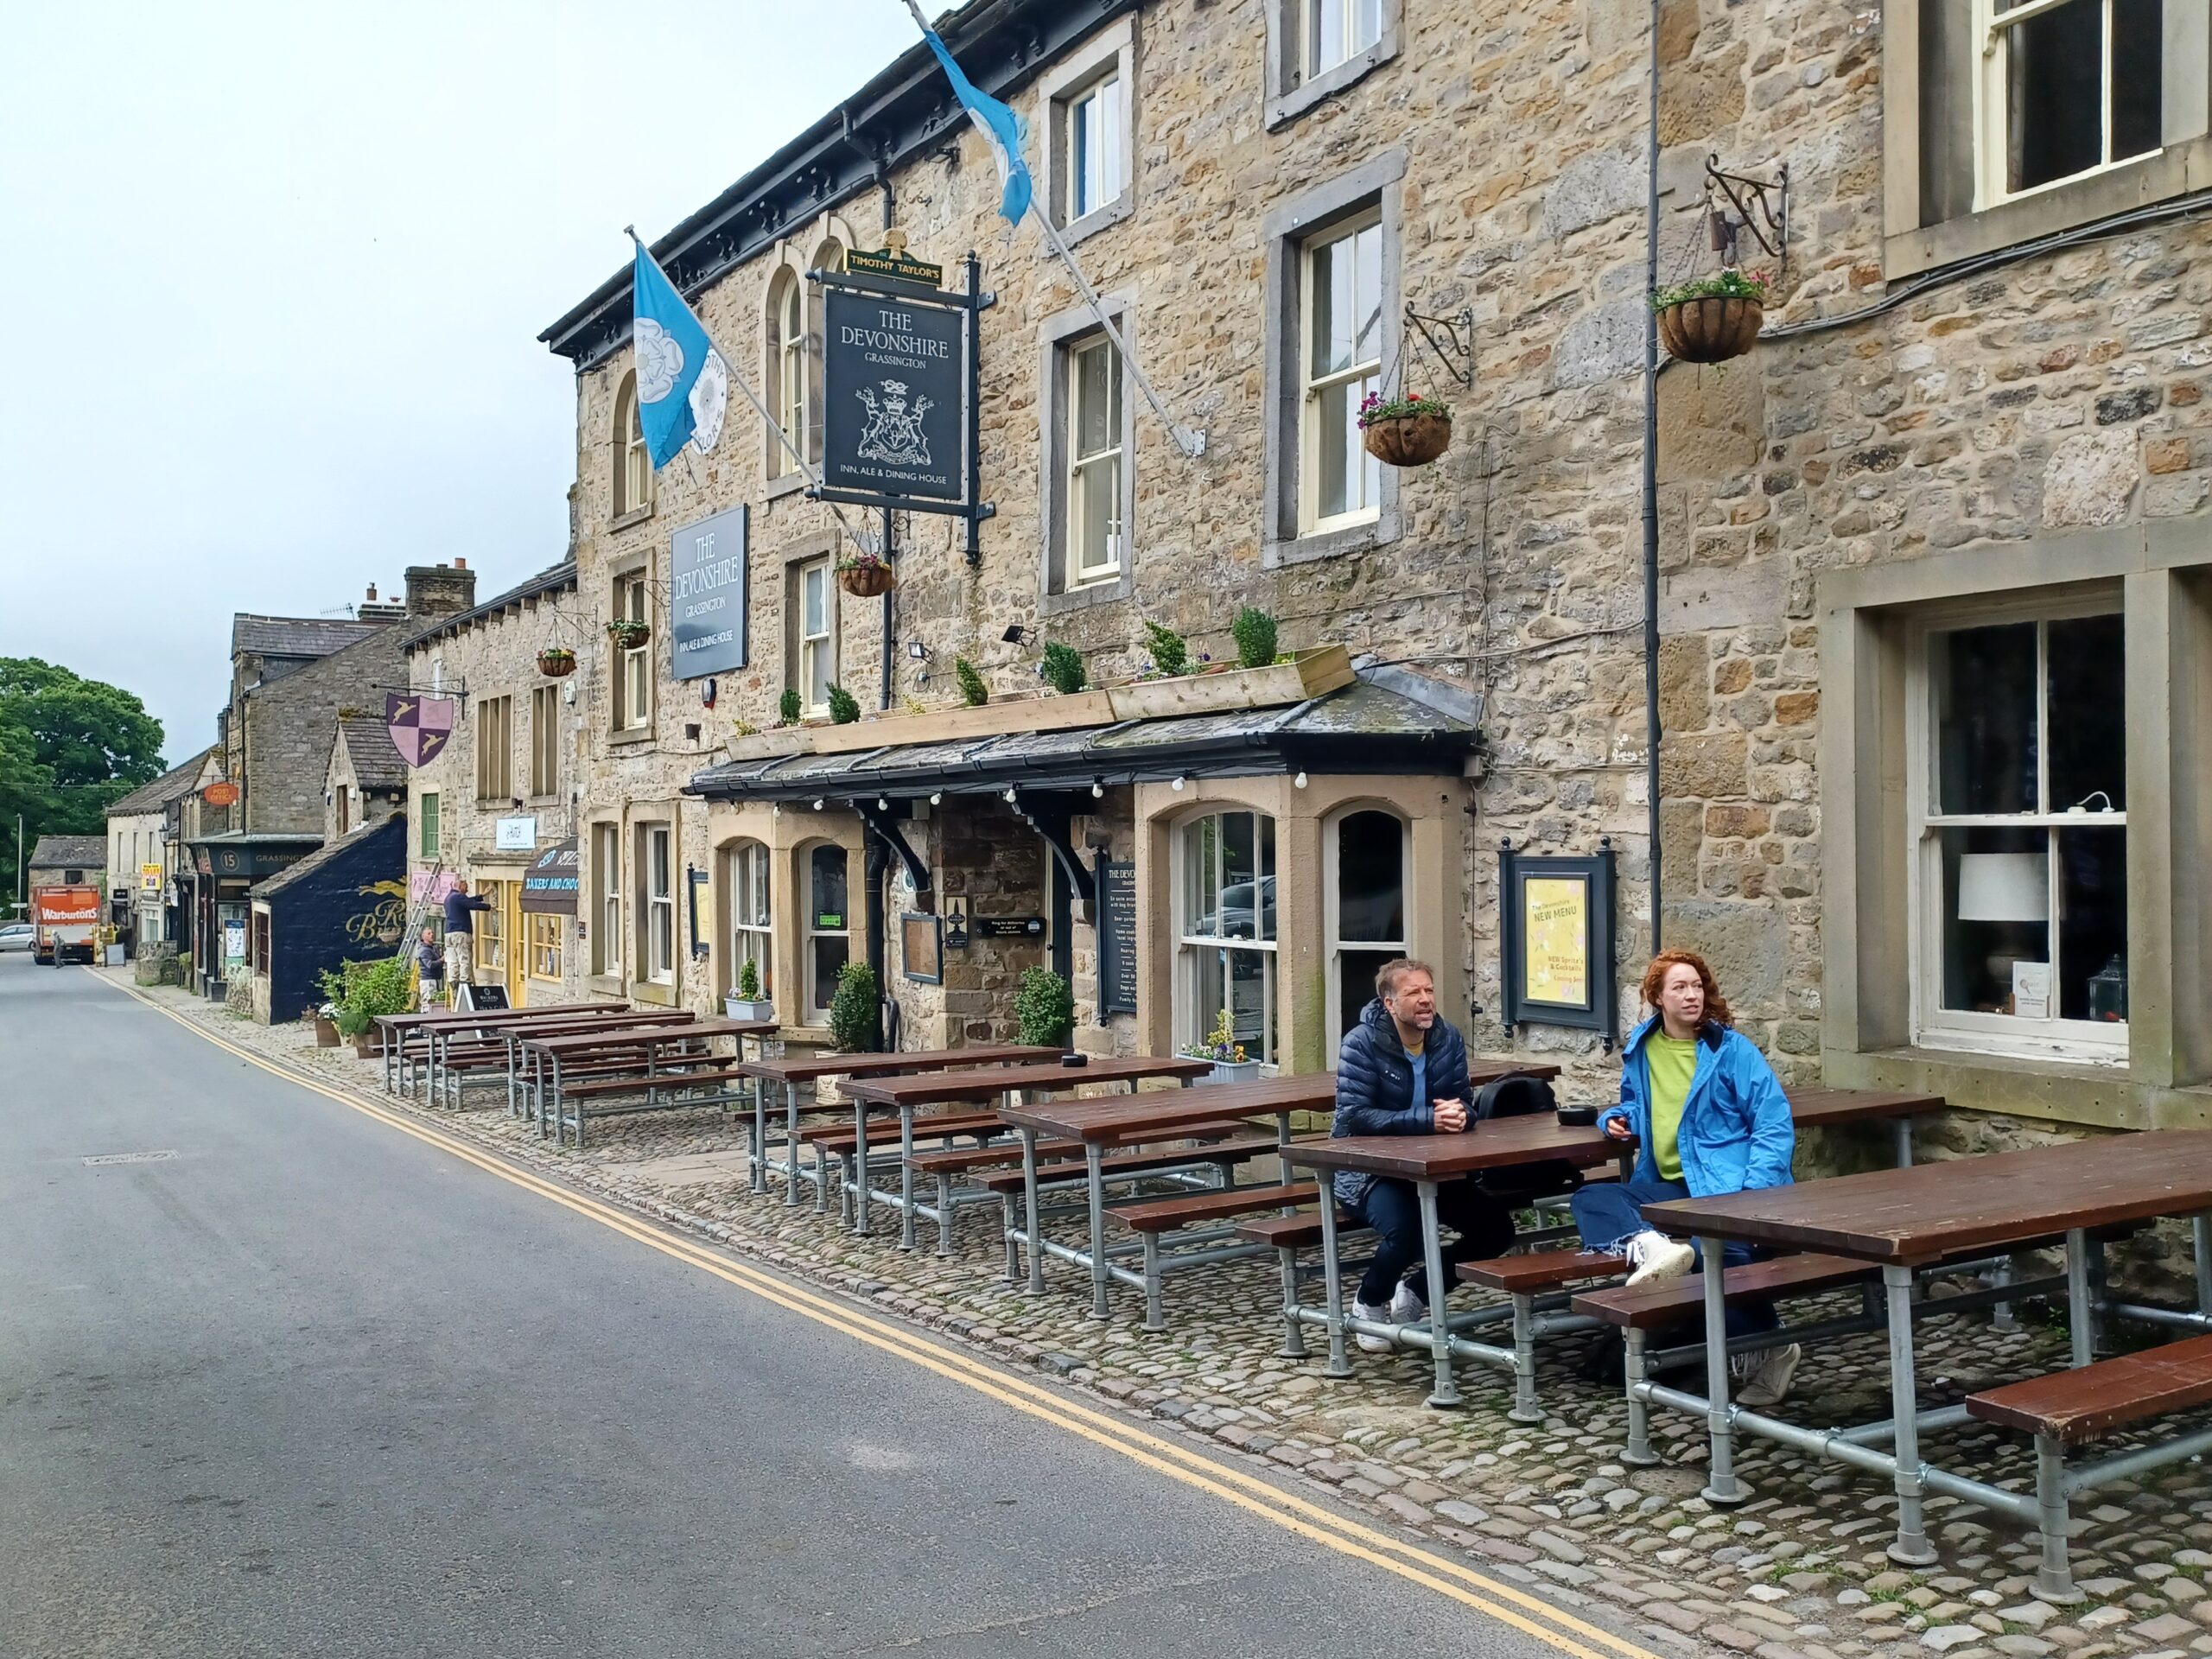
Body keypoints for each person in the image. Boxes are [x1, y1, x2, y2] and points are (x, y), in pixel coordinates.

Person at [1569, 949, 1802, 1408]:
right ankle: (1650, 1245)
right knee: (1592, 1197)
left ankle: (1771, 1345)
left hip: (1728, 1188)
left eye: (1697, 986)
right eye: (1679, 987)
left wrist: (1753, 1192)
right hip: (1672, 1185)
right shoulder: (1642, 1047)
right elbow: (1640, 1103)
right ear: (1657, 996)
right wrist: (1618, 1118)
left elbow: (1773, 1123)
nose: (1692, 995)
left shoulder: (1730, 1049)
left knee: (1707, 1256)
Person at [1332, 958, 1516, 1353]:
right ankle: (1369, 1302)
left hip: (1433, 1167)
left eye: (1429, 991)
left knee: (1496, 1229)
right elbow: (1354, 1116)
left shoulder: (1446, 1037)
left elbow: (1465, 1102)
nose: (1425, 1000)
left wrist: (1459, 1115)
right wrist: (1427, 1119)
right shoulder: (1360, 1043)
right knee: (1408, 1232)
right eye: (1413, 993)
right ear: (1389, 1003)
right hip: (1366, 1169)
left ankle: (1416, 1290)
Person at [442, 880, 492, 988]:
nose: (467, 889)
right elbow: (471, 904)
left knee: (452, 960)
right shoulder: (458, 897)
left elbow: (467, 901)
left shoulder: (449, 898)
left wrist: (481, 895)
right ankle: (465, 983)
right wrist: (489, 907)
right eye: (466, 887)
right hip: (460, 932)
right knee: (464, 959)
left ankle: (453, 982)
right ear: (460, 887)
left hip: (449, 934)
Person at [413, 925, 444, 1006]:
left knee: (434, 1003)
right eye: (429, 933)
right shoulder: (424, 950)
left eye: (432, 933)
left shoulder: (432, 948)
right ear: (423, 937)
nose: (432, 935)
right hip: (428, 981)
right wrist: (441, 960)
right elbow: (429, 965)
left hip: (434, 979)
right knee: (428, 1004)